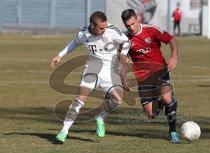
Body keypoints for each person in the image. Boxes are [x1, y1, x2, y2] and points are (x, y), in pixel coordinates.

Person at [51, 11, 130, 144]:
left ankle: (100, 117)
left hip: (110, 70)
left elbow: (127, 42)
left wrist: (123, 56)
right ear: (92, 25)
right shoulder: (83, 33)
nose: (104, 29)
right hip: (92, 68)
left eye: (105, 26)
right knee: (80, 100)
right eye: (101, 27)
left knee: (118, 99)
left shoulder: (112, 30)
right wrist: (60, 55)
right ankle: (64, 131)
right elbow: (74, 42)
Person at [121, 9, 180, 143]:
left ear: (137, 19)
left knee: (166, 97)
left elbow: (171, 40)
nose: (131, 28)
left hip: (160, 71)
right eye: (127, 26)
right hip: (143, 77)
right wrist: (123, 78)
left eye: (133, 23)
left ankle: (173, 132)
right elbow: (122, 60)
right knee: (151, 114)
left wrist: (174, 57)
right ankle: (170, 103)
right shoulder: (125, 39)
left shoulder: (152, 30)